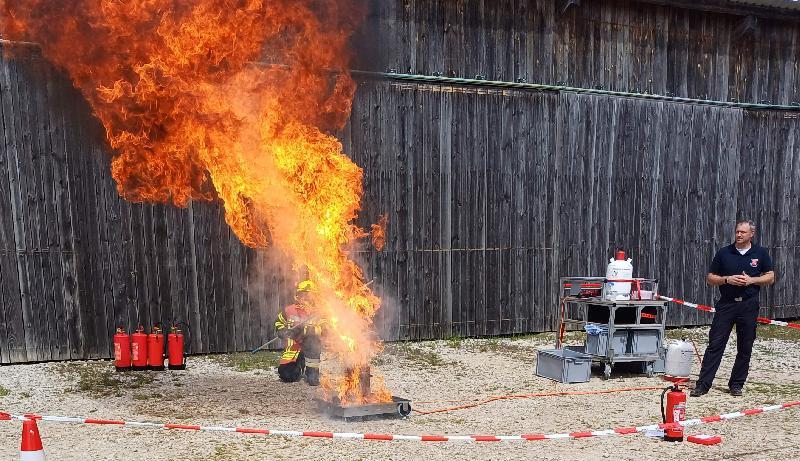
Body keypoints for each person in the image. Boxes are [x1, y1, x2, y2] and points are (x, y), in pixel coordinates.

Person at [691, 219, 775, 397]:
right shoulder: (724, 253)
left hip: (748, 304)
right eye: (737, 231)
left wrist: (752, 280)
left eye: (743, 232)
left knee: (745, 347)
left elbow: (770, 277)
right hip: (727, 303)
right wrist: (727, 279)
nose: (739, 235)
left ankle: (736, 384)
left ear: (751, 234)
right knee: (715, 345)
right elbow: (710, 278)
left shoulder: (760, 253)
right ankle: (703, 384)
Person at [274, 280, 326, 386]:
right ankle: (299, 367)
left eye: (309, 295)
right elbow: (278, 322)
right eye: (303, 294)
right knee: (286, 375)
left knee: (312, 340)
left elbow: (325, 329)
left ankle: (312, 372)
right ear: (298, 294)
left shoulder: (319, 312)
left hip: (311, 348)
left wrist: (306, 330)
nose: (305, 297)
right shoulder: (289, 310)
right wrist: (282, 330)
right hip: (293, 350)